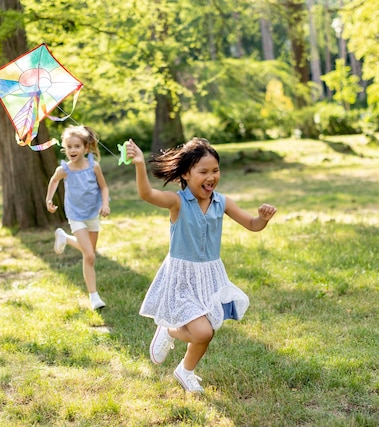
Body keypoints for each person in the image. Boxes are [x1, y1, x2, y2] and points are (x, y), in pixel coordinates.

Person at [125, 137, 277, 393]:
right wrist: (140, 164)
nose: (211, 176)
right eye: (203, 171)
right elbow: (146, 194)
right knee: (203, 333)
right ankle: (170, 331)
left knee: (207, 331)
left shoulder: (223, 202)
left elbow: (252, 225)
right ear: (186, 173)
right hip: (182, 277)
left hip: (210, 276)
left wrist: (262, 218)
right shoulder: (178, 202)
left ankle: (185, 371)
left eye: (215, 170)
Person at [46, 125, 111, 310]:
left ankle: (65, 238)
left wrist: (105, 204)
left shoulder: (94, 166)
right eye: (69, 147)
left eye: (77, 146)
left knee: (89, 254)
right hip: (75, 215)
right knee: (89, 254)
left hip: (92, 214)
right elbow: (54, 180)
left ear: (86, 148)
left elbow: (104, 187)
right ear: (65, 149)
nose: (72, 150)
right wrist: (49, 199)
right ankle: (94, 297)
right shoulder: (64, 169)